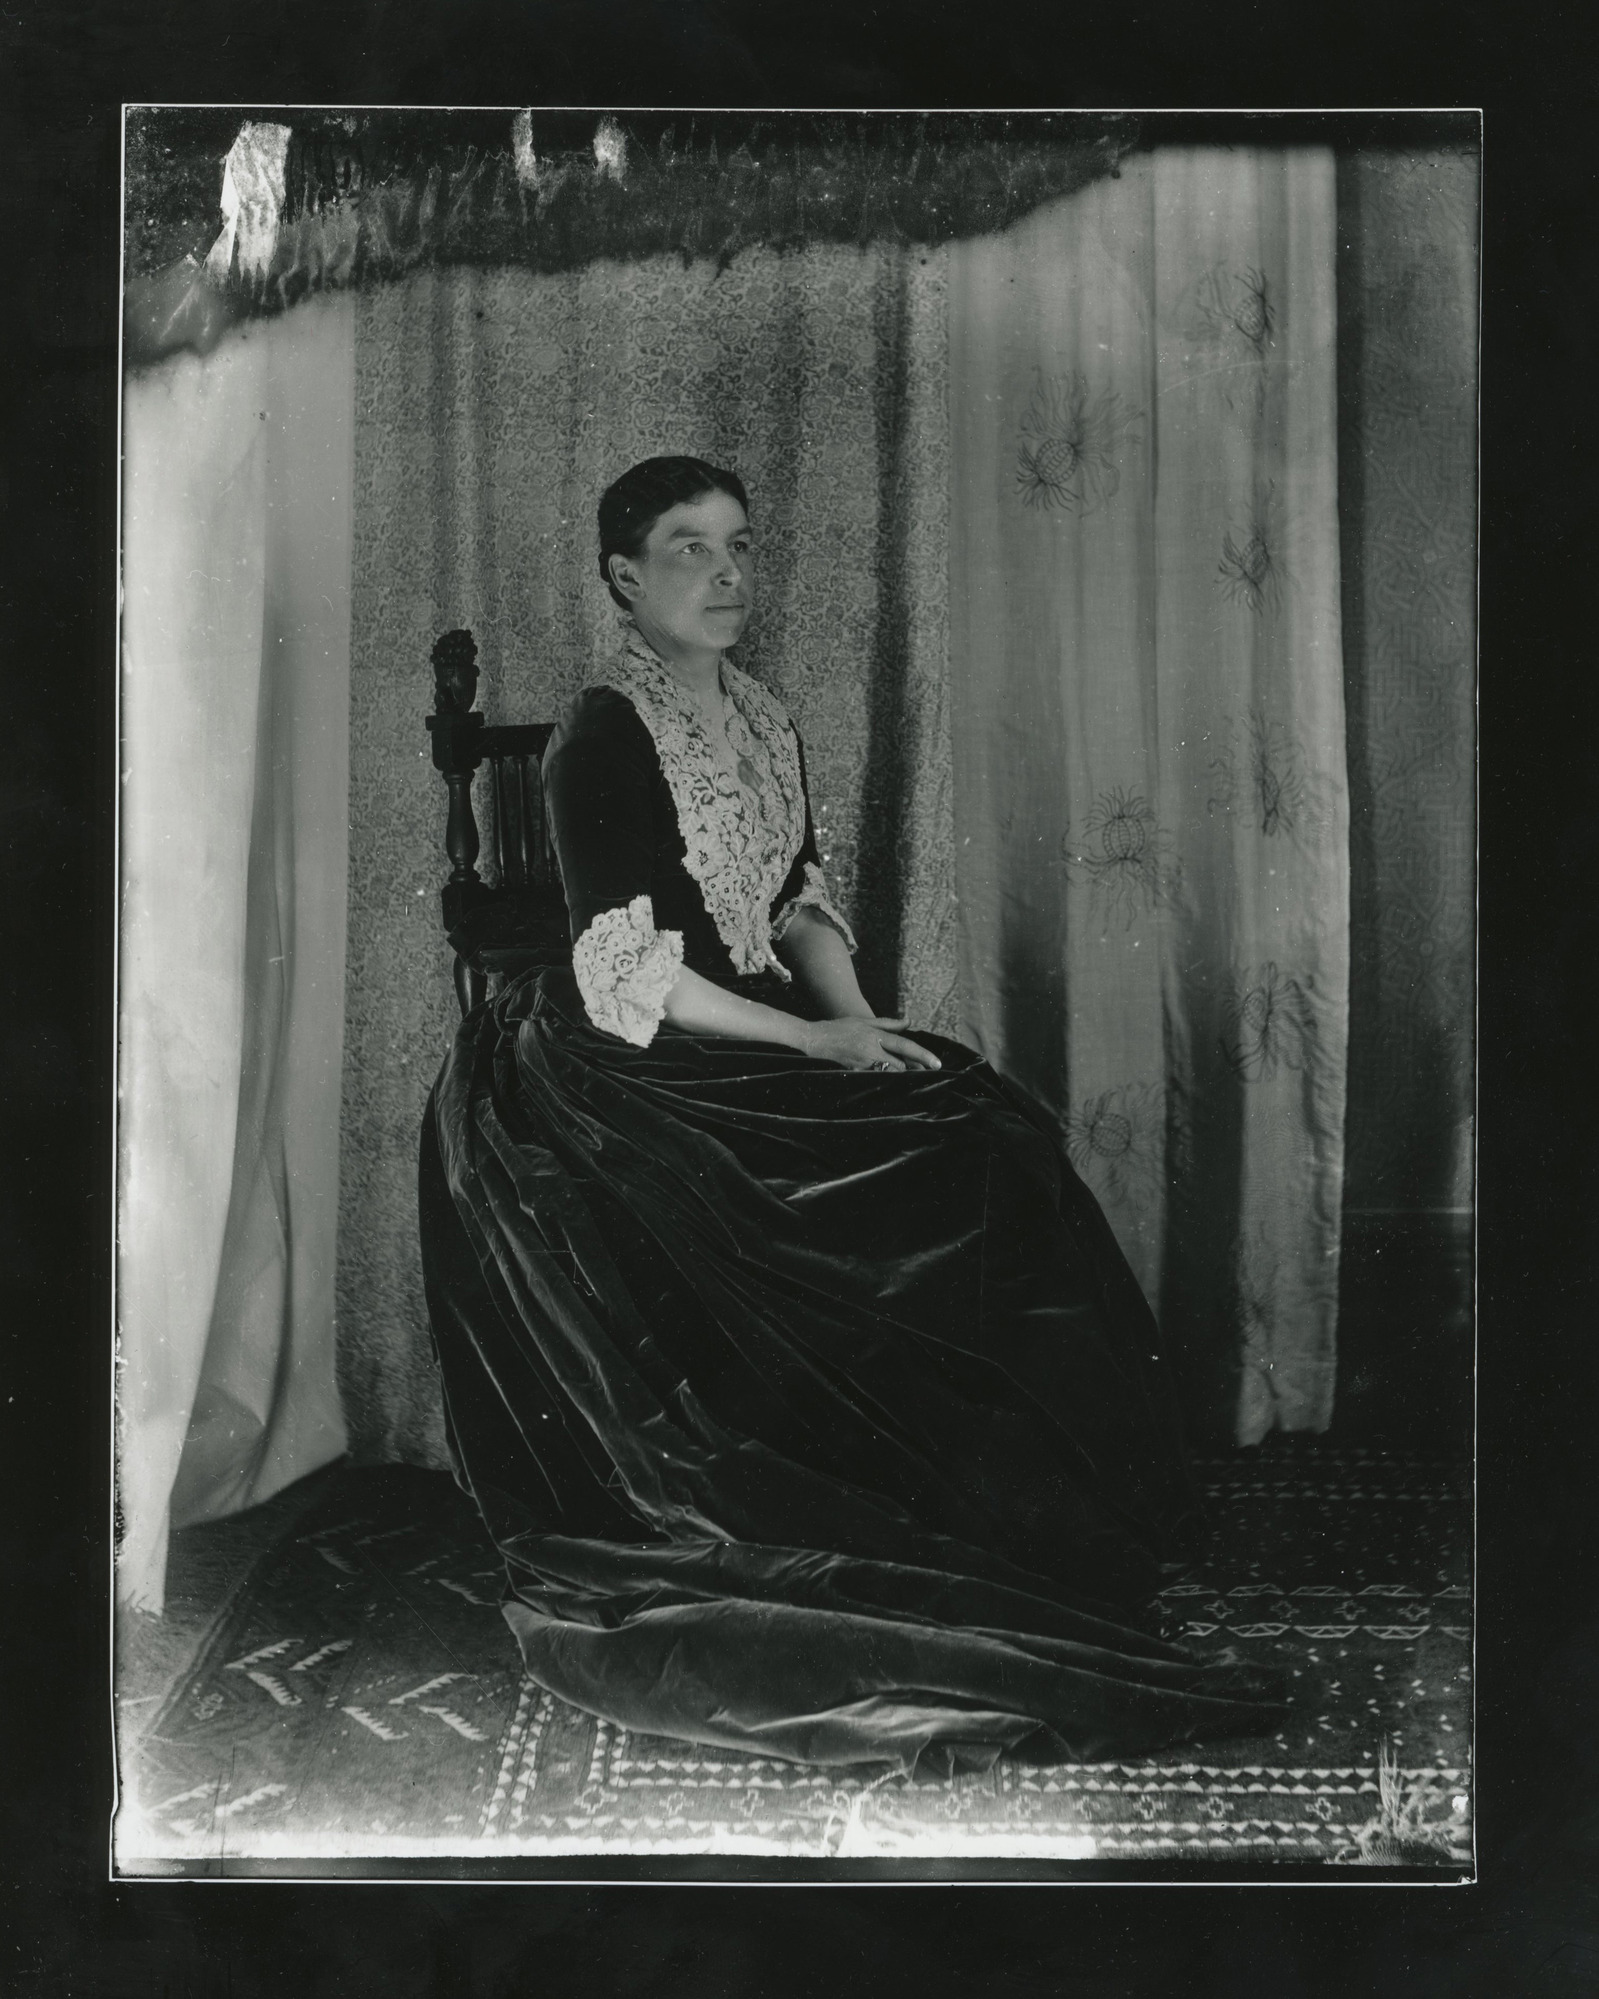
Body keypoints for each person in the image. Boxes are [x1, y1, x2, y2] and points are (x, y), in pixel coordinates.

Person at [419, 455, 1285, 1775]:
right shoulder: (605, 733)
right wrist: (810, 1044)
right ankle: (878, 1519)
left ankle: (997, 1516)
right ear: (622, 581)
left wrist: (862, 1028)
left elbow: (796, 908)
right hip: (625, 1058)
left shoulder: (762, 717)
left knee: (975, 1123)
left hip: (758, 1016)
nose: (723, 575)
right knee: (859, 1182)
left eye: (738, 548)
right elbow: (631, 975)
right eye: (687, 550)